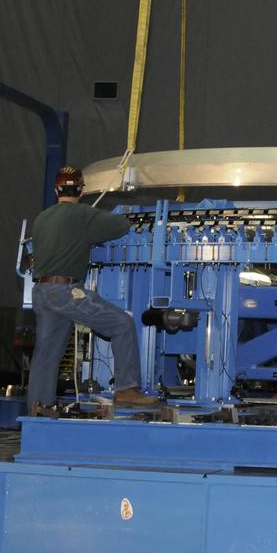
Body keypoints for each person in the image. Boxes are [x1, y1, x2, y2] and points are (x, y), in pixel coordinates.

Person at [27, 166, 160, 416]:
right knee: (122, 324)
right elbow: (120, 225)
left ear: (56, 190)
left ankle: (38, 407)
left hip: (42, 292)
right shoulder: (83, 214)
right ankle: (126, 390)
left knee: (46, 353)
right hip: (66, 292)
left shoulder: (42, 218)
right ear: (81, 190)